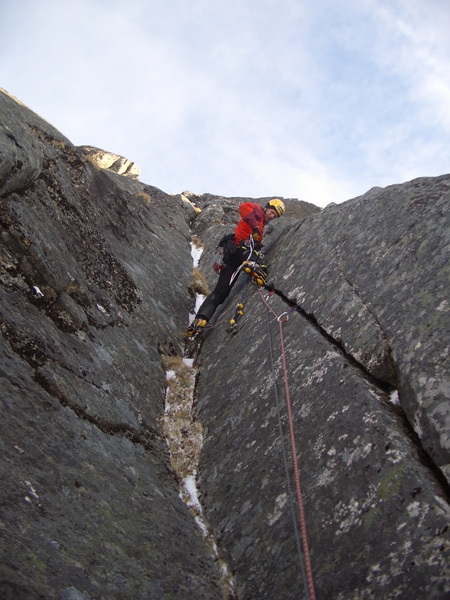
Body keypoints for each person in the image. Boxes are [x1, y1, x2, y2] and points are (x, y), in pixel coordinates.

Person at [186, 199, 285, 336]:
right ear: (267, 207)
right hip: (241, 248)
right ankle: (253, 266)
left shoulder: (261, 223)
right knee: (261, 265)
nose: (272, 216)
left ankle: (201, 319)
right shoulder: (256, 210)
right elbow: (243, 207)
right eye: (272, 212)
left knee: (221, 292)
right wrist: (255, 226)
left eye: (275, 215)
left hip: (233, 257)